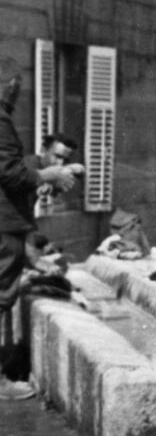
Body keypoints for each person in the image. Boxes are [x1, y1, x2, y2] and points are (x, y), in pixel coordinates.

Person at [0, 67, 81, 399]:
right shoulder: (1, 121)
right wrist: (49, 175)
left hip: (9, 225)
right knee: (2, 295)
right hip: (4, 224)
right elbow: (11, 172)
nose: (15, 94)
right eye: (13, 86)